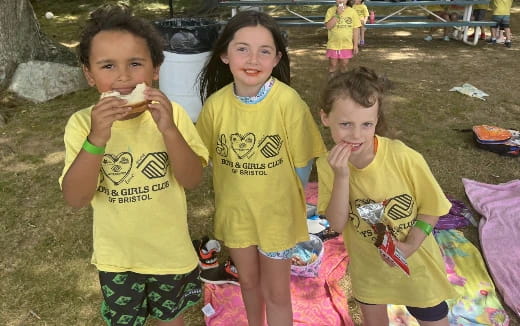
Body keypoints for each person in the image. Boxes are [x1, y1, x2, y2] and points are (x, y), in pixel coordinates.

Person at [59, 4, 209, 326]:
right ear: (89, 74)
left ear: (156, 68)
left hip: (170, 253)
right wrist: (96, 138)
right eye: (108, 66)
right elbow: (75, 198)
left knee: (173, 321)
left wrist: (168, 130)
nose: (124, 76)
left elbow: (193, 178)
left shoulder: (175, 115)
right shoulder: (80, 124)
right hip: (118, 261)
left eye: (136, 63)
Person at [196, 10, 327, 326]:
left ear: (276, 58)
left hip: (277, 220)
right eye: (242, 48)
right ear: (225, 54)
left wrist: (290, 207)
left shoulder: (288, 102)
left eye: (264, 50)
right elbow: (198, 155)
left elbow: (303, 162)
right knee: (249, 283)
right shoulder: (215, 105)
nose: (253, 59)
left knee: (277, 294)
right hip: (236, 216)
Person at [316, 67, 458, 326]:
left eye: (366, 124)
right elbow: (336, 224)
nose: (356, 135)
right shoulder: (328, 166)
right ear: (325, 118)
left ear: (376, 119)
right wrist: (342, 176)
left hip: (416, 266)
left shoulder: (404, 158)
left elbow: (433, 208)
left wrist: (410, 245)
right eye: (345, 124)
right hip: (369, 270)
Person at [324, 0, 361, 77]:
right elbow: (328, 26)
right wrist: (337, 14)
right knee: (333, 64)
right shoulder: (330, 10)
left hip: (347, 45)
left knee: (344, 64)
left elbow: (356, 29)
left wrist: (355, 45)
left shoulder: (352, 12)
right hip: (333, 44)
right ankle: (332, 81)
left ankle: (343, 80)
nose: (341, 0)